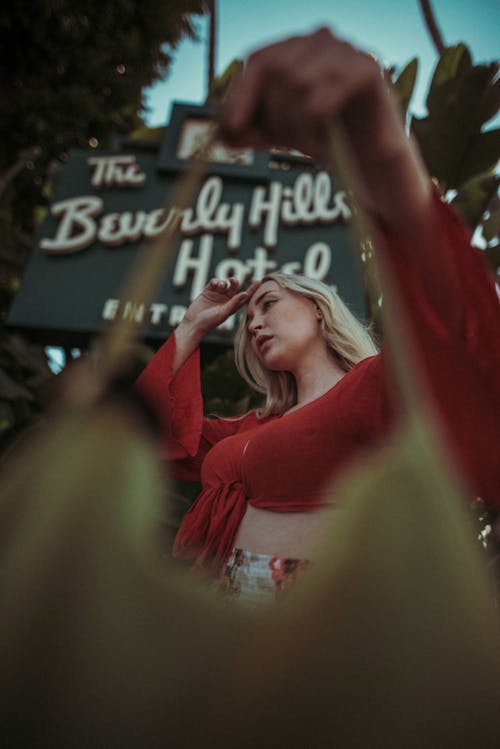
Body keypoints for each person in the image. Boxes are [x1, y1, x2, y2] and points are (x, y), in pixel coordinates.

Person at [136, 27, 500, 605]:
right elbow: (155, 440)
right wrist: (193, 325)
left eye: (269, 304)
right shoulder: (246, 432)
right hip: (218, 617)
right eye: (246, 317)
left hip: (326, 617)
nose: (253, 325)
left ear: (320, 308)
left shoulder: (373, 388)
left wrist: (386, 165)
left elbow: (468, 361)